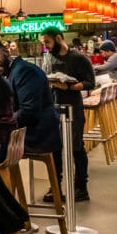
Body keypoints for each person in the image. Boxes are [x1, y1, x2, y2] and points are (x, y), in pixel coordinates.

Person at [0, 39, 62, 178]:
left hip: (38, 134)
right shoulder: (15, 70)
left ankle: (0, 194)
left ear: (6, 52)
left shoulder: (24, 71)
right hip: (36, 130)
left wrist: (1, 123)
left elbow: (29, 111)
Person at [40, 27, 95, 202]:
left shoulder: (79, 58)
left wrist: (70, 86)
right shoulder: (48, 58)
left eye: (48, 42)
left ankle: (81, 188)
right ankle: (55, 187)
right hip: (53, 106)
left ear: (58, 38)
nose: (46, 46)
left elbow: (90, 83)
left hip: (73, 107)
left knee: (76, 147)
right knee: (55, 148)